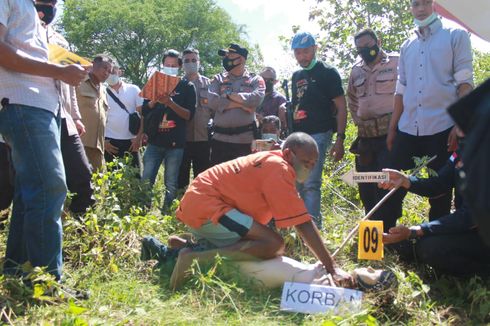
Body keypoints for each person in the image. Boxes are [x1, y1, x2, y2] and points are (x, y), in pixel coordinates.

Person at [170, 132, 352, 289]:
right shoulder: (278, 167)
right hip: (207, 205)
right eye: (306, 162)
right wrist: (332, 268)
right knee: (272, 244)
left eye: (313, 164)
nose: (309, 168)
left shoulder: (273, 161)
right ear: (288, 154)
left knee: (256, 246)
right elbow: (302, 223)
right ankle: (195, 258)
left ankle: (190, 247)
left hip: (201, 204)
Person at [0, 0, 87, 280]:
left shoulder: (33, 15)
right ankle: (48, 281)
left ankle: (18, 271)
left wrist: (65, 69)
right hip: (24, 104)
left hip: (43, 108)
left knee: (29, 193)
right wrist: (60, 71)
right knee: (50, 187)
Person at [386, 0, 473, 223]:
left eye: (426, 2)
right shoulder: (407, 45)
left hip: (443, 126)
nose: (421, 8)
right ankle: (387, 237)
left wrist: (460, 123)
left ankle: (434, 241)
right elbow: (401, 89)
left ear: (435, 5)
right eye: (416, 4)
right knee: (390, 183)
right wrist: (392, 128)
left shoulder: (456, 36)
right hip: (407, 127)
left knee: (440, 192)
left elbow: (465, 82)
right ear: (410, 7)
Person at [380, 148, 490, 277]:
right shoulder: (465, 148)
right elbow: (439, 184)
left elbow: (469, 217)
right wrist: (406, 180)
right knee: (403, 245)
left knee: (429, 248)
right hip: (471, 229)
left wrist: (417, 231)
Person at [39, 1, 95, 215]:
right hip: (34, 111)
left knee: (82, 172)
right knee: (38, 178)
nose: (49, 5)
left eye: (53, 2)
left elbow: (69, 85)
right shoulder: (22, 31)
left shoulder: (60, 41)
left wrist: (76, 117)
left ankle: (80, 227)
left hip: (63, 115)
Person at [290, 31, 348, 227]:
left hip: (320, 135)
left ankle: (314, 232)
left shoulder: (328, 72)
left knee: (311, 184)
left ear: (315, 49)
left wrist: (340, 138)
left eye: (306, 51)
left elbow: (341, 106)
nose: (302, 57)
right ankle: (298, 230)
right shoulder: (296, 75)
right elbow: (297, 104)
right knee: (296, 183)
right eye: (297, 53)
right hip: (298, 137)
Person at [347, 28, 399, 229]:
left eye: (368, 46)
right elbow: (351, 99)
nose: (364, 51)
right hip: (365, 139)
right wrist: (359, 121)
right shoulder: (356, 70)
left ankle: (389, 232)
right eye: (360, 49)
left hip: (390, 135)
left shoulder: (396, 62)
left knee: (386, 185)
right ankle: (372, 232)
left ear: (377, 41)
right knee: (366, 186)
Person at [141, 49, 196, 211]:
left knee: (171, 182)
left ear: (179, 66)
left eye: (173, 65)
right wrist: (153, 101)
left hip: (175, 144)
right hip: (154, 141)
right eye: (167, 65)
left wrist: (170, 103)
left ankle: (167, 212)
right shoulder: (155, 82)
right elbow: (144, 110)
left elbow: (188, 115)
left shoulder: (187, 86)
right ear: (162, 65)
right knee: (146, 179)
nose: (170, 67)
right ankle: (143, 210)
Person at [207, 43, 265, 165]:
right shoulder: (218, 79)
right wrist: (242, 105)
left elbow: (256, 99)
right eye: (225, 55)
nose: (226, 58)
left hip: (245, 141)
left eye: (230, 55)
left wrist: (228, 96)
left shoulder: (255, 79)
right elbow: (212, 101)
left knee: (243, 181)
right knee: (220, 182)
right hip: (219, 141)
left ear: (242, 59)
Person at [177, 48, 213, 190]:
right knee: (181, 178)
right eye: (187, 61)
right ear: (182, 64)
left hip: (203, 138)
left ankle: (202, 207)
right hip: (182, 138)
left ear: (199, 62)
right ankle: (180, 205)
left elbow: (215, 111)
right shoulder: (177, 84)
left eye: (194, 60)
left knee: (203, 177)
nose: (191, 63)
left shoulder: (209, 85)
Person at [76, 54, 114, 171]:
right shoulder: (78, 82)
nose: (107, 73)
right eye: (104, 68)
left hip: (98, 147)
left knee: (100, 183)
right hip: (80, 143)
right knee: (78, 181)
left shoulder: (103, 89)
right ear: (93, 65)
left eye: (110, 71)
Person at [104, 63, 144, 174]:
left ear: (120, 71)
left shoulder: (134, 89)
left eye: (113, 70)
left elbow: (143, 115)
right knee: (113, 180)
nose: (111, 74)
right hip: (110, 143)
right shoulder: (101, 92)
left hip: (132, 142)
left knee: (136, 178)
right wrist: (103, 141)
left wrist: (139, 138)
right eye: (108, 71)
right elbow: (98, 119)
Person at [256, 67, 287, 134]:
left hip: (270, 139)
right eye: (263, 79)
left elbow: (283, 126)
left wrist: (264, 120)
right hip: (249, 137)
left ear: (275, 82)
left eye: (270, 80)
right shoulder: (252, 96)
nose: (266, 81)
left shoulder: (280, 99)